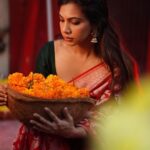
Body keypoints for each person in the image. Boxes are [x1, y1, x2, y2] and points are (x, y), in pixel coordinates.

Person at [0, 0, 139, 149]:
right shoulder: (48, 53)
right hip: (40, 141)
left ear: (95, 24)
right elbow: (35, 102)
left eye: (75, 22)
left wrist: (76, 131)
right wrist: (12, 98)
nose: (65, 29)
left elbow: (117, 118)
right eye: (61, 20)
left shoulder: (114, 67)